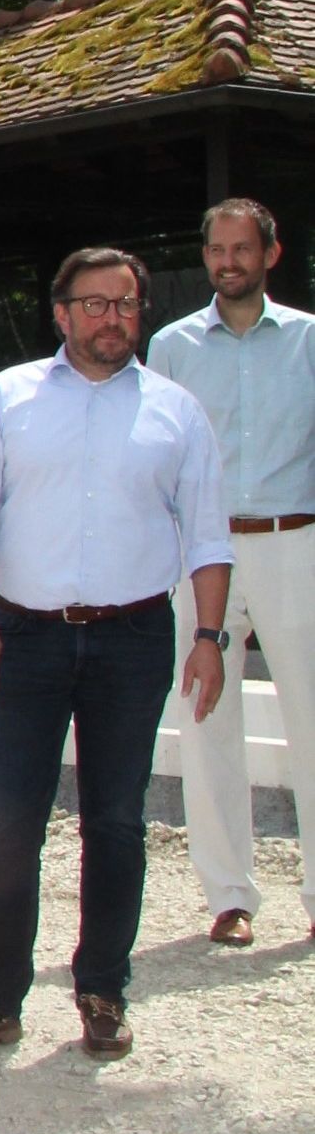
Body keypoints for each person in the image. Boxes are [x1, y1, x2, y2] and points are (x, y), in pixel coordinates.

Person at [0, 246, 230, 1062]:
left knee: (118, 822)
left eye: (127, 304)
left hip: (134, 639)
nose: (113, 319)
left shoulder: (176, 411)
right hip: (24, 637)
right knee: (10, 825)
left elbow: (207, 535)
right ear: (61, 313)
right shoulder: (8, 398)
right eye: (95, 304)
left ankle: (102, 987)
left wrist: (208, 636)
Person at [147, 198, 315, 948]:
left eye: (242, 248)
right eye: (216, 248)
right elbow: (155, 451)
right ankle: (228, 895)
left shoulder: (310, 341)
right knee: (205, 715)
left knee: (313, 719)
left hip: (294, 541)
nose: (227, 261)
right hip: (203, 551)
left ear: (270, 255)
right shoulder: (172, 347)